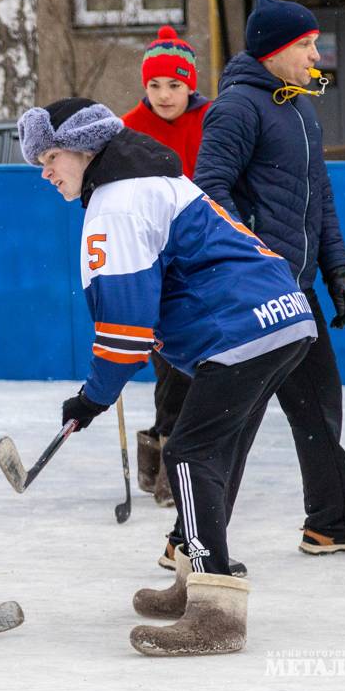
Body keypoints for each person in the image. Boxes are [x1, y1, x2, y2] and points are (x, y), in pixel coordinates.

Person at [17, 96, 316, 656]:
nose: (46, 172)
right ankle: (193, 580)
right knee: (213, 453)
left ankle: (217, 613)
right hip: (280, 317)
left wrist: (92, 397)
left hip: (241, 329)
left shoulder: (116, 202)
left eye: (50, 156)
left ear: (82, 149)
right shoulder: (147, 179)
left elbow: (126, 328)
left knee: (190, 453)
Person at [193, 0, 345, 558]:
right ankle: (189, 541)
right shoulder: (237, 108)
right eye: (304, 45)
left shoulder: (299, 106)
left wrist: (338, 269)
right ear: (273, 51)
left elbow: (318, 197)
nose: (315, 56)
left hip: (296, 290)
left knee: (317, 406)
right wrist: (256, 263)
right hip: (258, 295)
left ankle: (331, 519)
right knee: (238, 419)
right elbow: (211, 192)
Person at [121, 26, 207, 510]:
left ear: (189, 84)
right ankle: (168, 460)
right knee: (171, 365)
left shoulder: (212, 120)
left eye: (174, 85)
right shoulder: (128, 126)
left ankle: (171, 459)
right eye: (155, 86)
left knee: (197, 366)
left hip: (203, 256)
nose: (164, 95)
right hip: (152, 261)